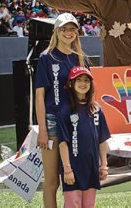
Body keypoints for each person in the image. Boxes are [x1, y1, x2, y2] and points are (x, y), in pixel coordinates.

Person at [35, 13, 87, 208]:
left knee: (74, 177)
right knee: (52, 181)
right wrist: (42, 129)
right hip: (52, 123)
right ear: (57, 31)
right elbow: (40, 95)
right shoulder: (46, 58)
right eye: (64, 29)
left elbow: (86, 91)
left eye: (72, 29)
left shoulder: (79, 58)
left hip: (75, 122)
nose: (68, 33)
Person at [57, 66, 110, 208]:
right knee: (73, 203)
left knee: (89, 204)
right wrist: (67, 169)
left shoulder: (96, 109)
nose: (83, 83)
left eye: (86, 80)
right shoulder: (64, 110)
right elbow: (63, 143)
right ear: (71, 84)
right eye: (78, 80)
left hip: (91, 167)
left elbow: (102, 140)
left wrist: (104, 165)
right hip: (72, 168)